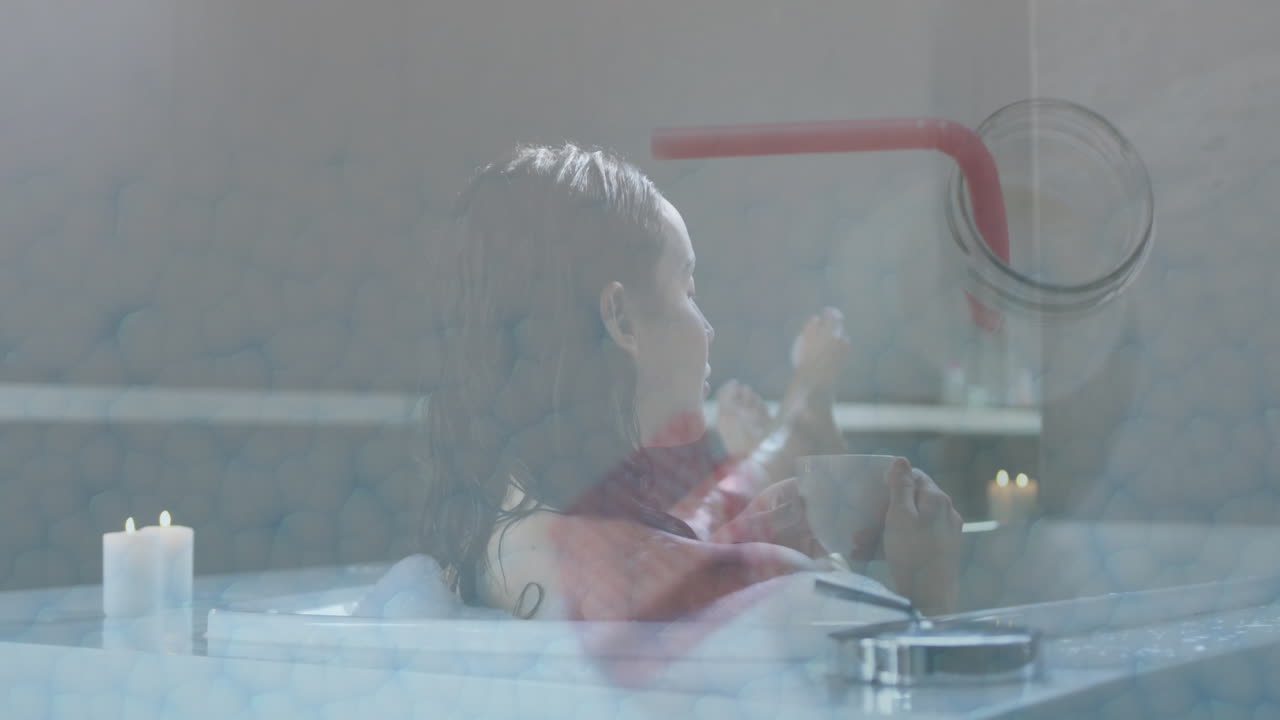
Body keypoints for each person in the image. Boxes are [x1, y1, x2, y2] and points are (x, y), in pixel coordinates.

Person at [421, 143, 962, 624]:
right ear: (623, 320)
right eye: (688, 287)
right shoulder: (771, 587)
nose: (707, 326)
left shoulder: (487, 544)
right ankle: (793, 429)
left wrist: (722, 547)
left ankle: (788, 435)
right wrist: (928, 591)